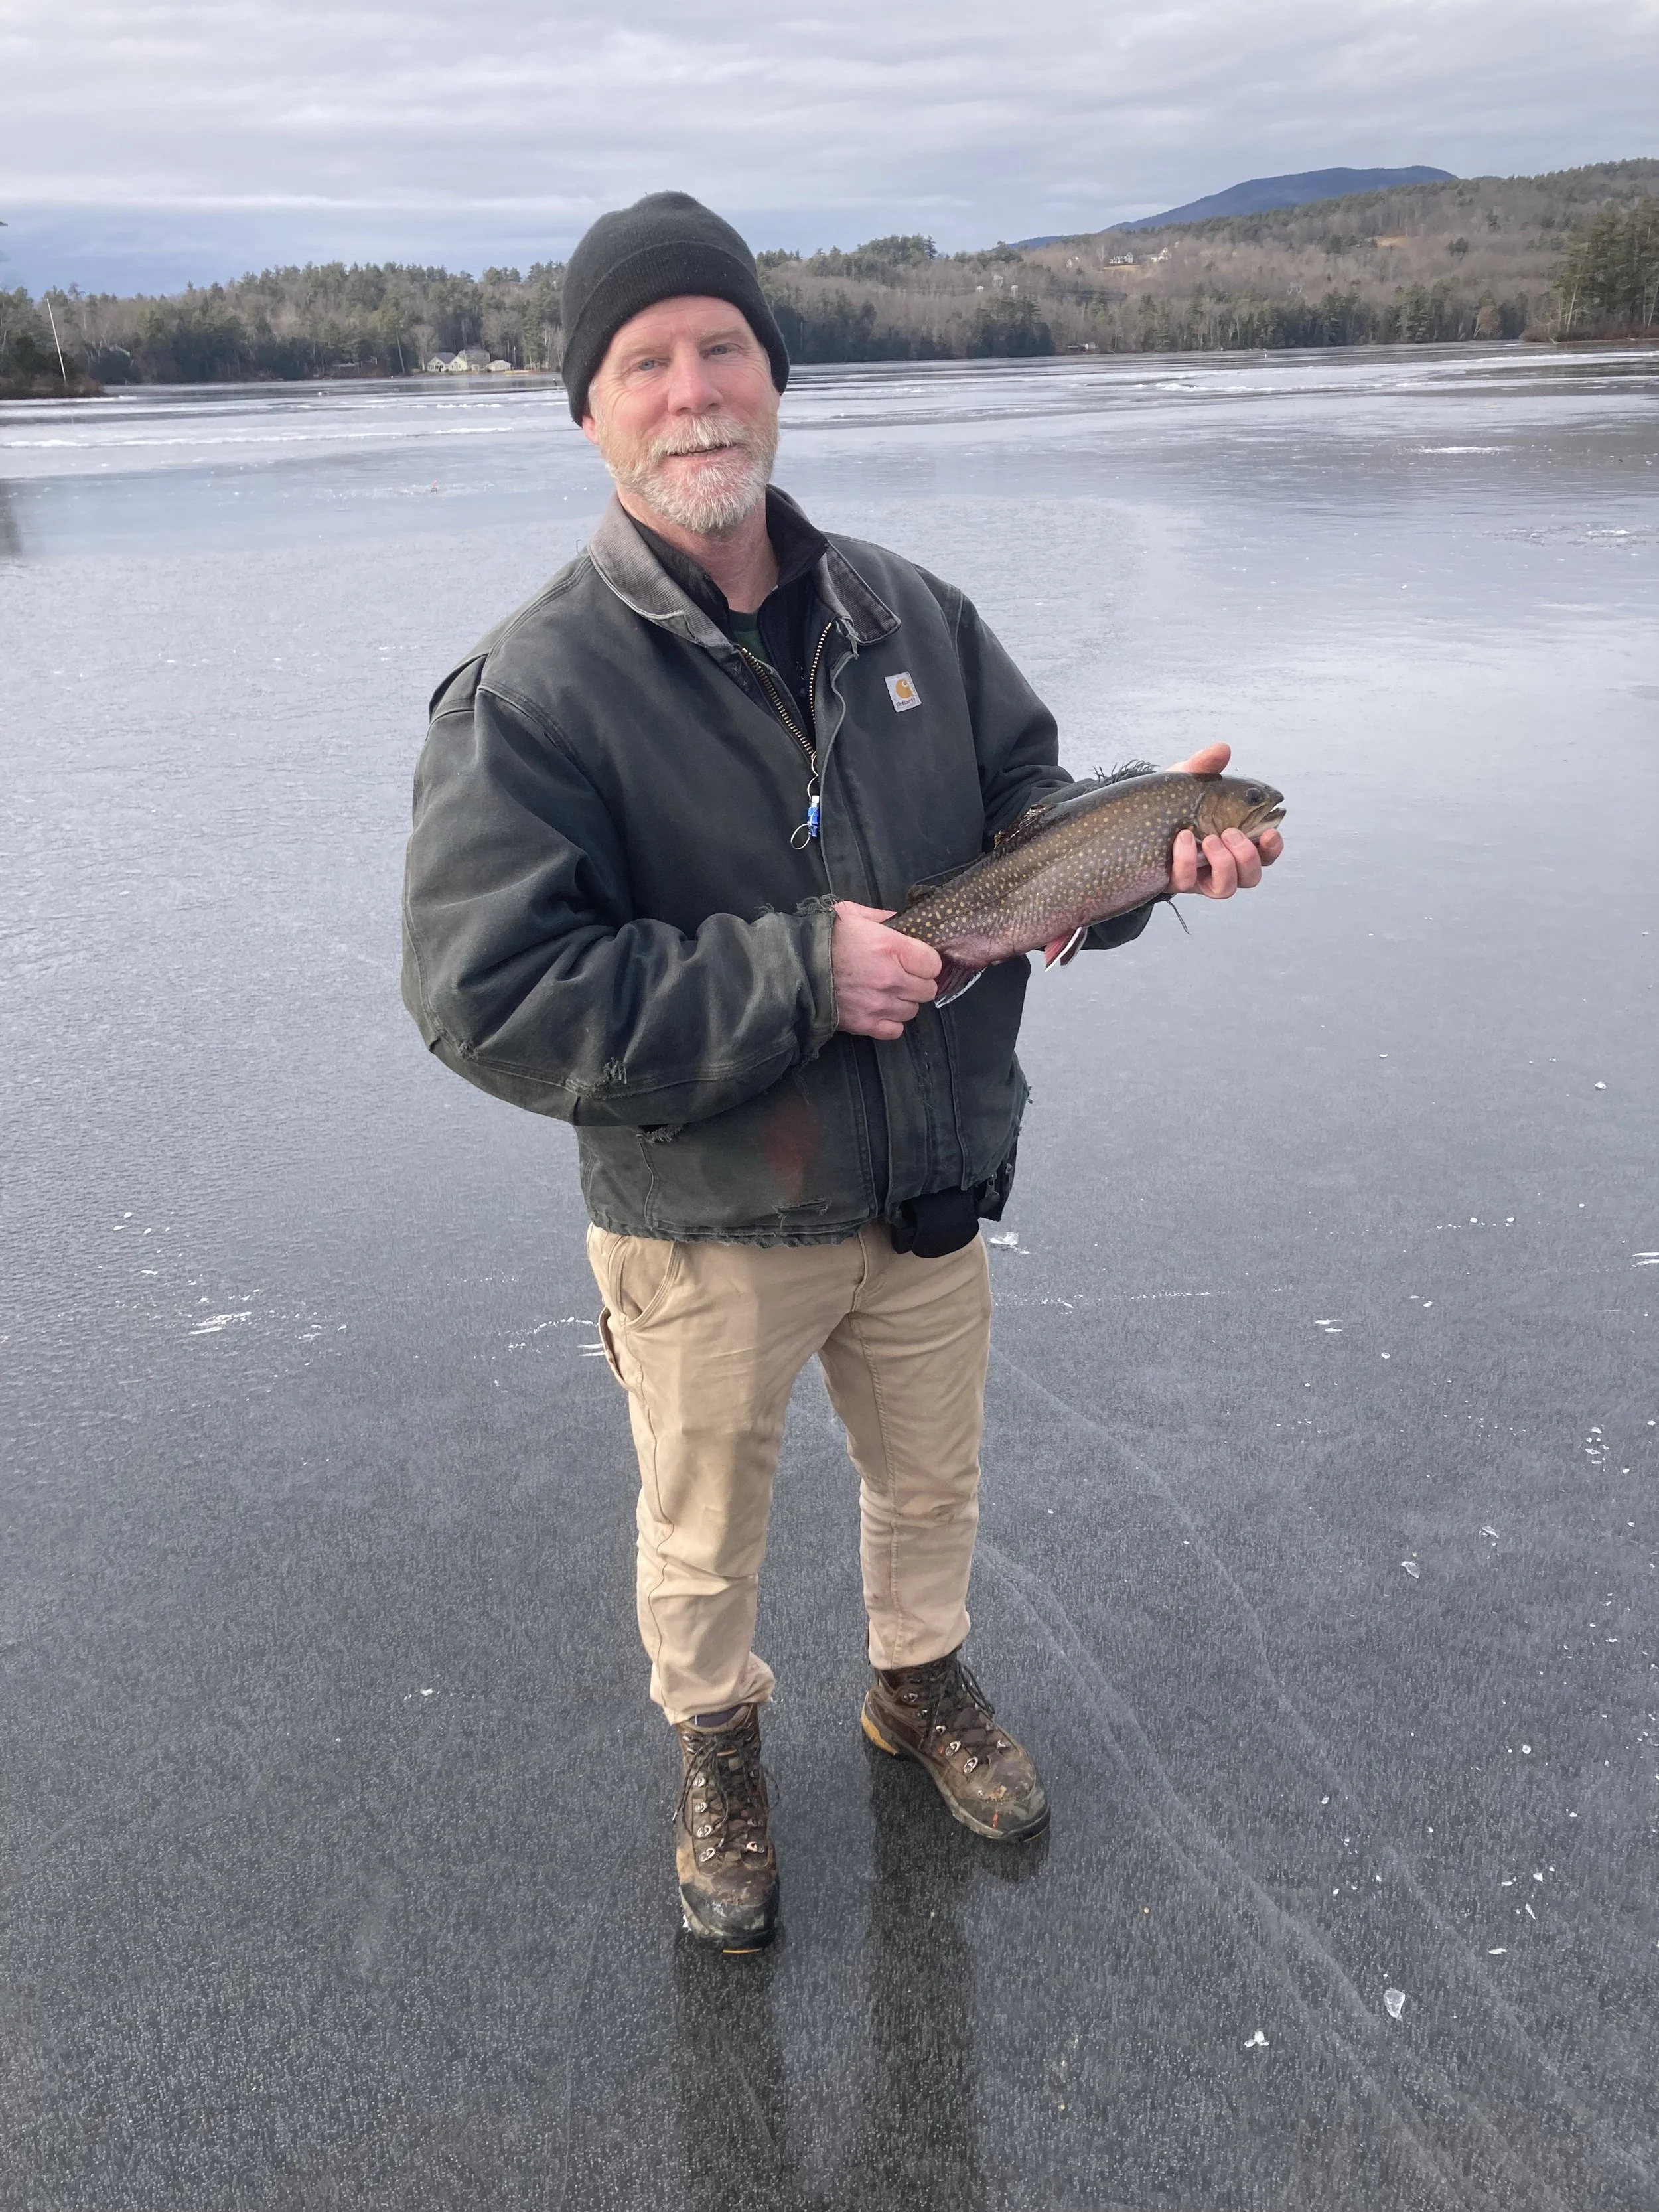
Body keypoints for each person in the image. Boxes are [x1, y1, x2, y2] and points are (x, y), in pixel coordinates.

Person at [401, 192, 1282, 1953]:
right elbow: (485, 991)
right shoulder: (533, 693)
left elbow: (1025, 823)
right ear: (588, 409)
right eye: (642, 362)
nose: (691, 389)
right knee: (705, 1514)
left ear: (775, 379)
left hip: (928, 1167)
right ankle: (718, 1744)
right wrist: (799, 972)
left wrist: (1143, 855)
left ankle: (917, 1680)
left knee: (929, 1481)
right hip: (710, 1210)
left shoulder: (910, 616)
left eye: (721, 346)